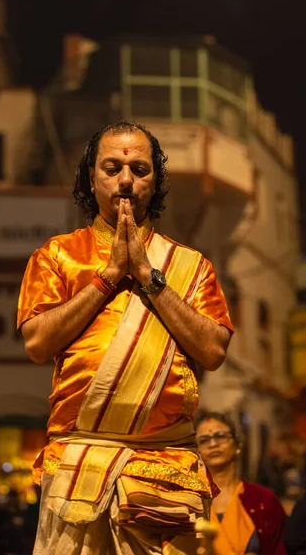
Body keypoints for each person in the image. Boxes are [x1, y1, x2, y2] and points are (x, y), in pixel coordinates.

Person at [18, 121, 234, 554]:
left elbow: (213, 351)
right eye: (112, 167)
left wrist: (149, 279)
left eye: (139, 168)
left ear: (156, 180)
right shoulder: (58, 255)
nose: (125, 180)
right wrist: (108, 277)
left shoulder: (190, 266)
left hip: (167, 468)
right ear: (91, 177)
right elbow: (37, 343)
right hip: (78, 467)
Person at [196, 411, 287, 555]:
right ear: (197, 451)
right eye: (204, 440)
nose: (213, 444)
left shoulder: (263, 500)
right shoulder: (190, 502)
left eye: (220, 436)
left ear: (237, 445)